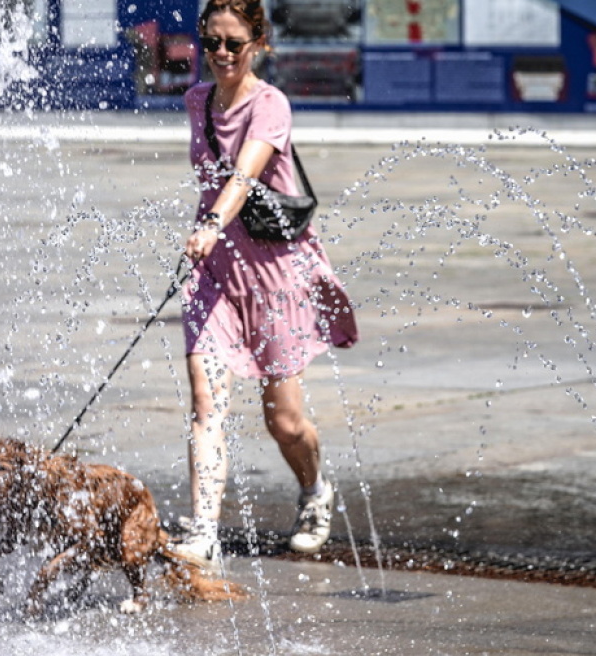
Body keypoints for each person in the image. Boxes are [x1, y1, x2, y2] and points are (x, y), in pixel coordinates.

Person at [171, 0, 359, 571]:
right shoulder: (196, 101)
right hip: (214, 276)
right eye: (213, 43)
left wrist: (208, 224)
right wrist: (209, 237)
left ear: (259, 42)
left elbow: (245, 174)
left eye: (235, 43)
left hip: (276, 278)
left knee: (283, 420)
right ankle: (204, 530)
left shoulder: (271, 104)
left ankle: (314, 491)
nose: (223, 55)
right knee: (207, 405)